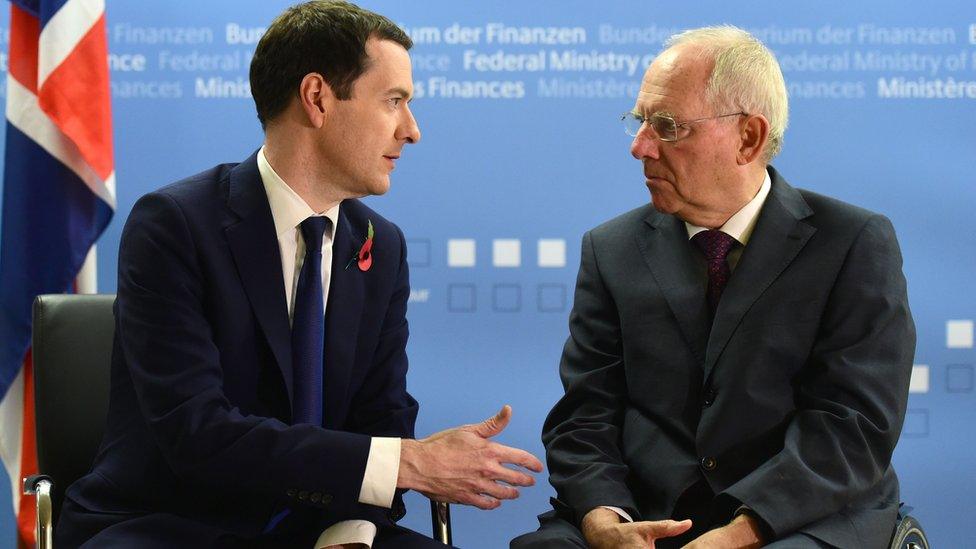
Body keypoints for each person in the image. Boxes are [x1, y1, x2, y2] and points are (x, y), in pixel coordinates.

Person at [56, 2, 542, 547]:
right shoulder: (175, 226)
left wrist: (351, 531)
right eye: (394, 101)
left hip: (323, 527)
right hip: (172, 524)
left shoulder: (381, 246)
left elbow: (381, 422)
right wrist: (411, 463)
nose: (412, 130)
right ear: (317, 99)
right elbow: (197, 435)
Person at [512, 25, 914, 549]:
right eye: (639, 123)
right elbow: (585, 416)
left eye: (668, 127)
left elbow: (852, 426)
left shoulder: (853, 242)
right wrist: (603, 518)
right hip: (646, 513)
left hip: (797, 516)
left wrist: (738, 534)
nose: (640, 147)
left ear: (748, 136)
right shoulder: (610, 249)